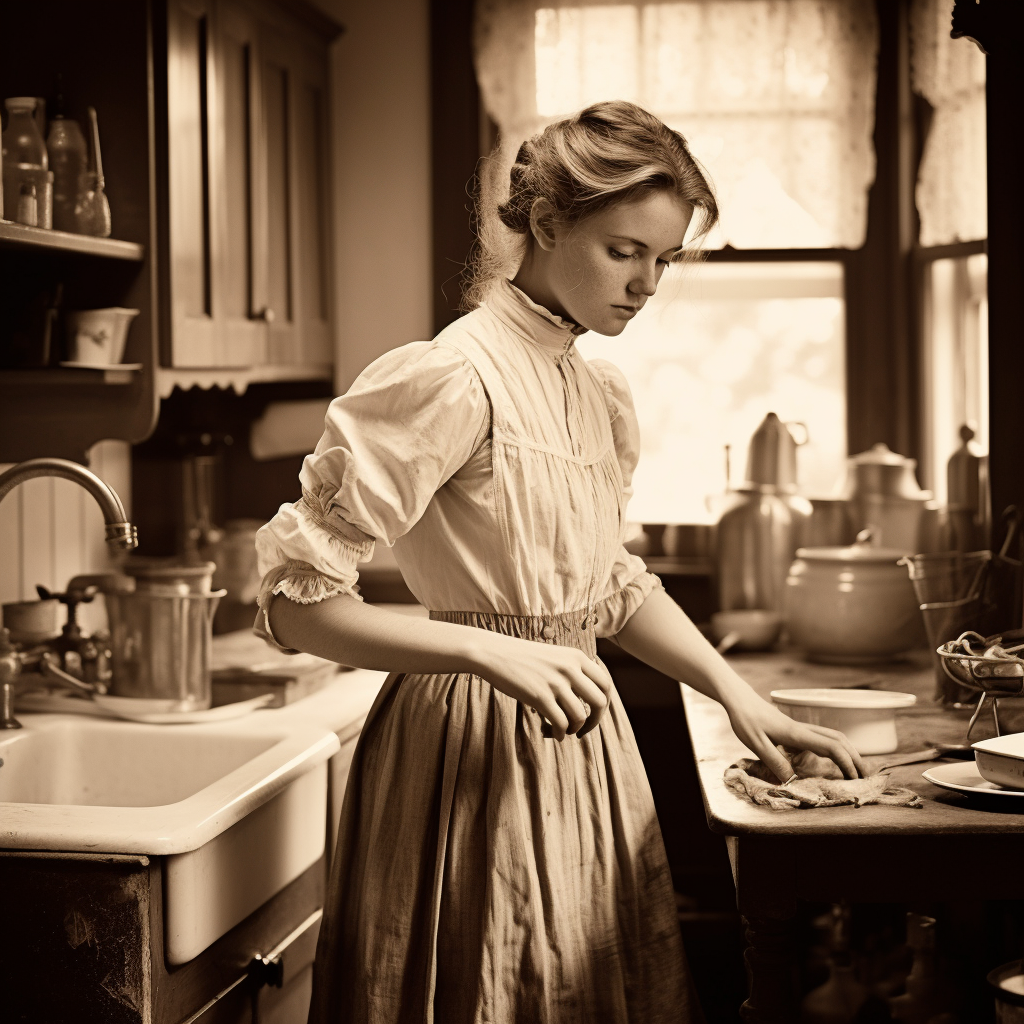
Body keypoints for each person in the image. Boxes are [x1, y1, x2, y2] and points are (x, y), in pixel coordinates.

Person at [254, 100, 865, 1024]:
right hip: (463, 751)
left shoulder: (595, 391)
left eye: (664, 259)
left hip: (584, 746)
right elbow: (296, 606)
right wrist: (483, 650)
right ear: (545, 226)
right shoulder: (450, 379)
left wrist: (741, 699)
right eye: (626, 251)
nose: (647, 283)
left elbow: (612, 589)